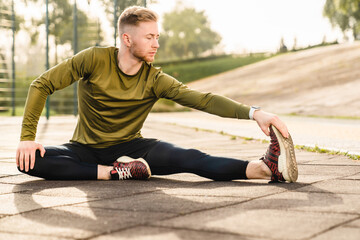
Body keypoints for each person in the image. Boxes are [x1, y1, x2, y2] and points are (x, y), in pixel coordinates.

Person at [16, 6, 298, 183]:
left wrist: (254, 112)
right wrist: (28, 138)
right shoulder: (93, 59)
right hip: (85, 150)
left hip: (134, 150)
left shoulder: (155, 78)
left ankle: (265, 169)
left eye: (157, 37)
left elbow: (202, 99)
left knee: (190, 158)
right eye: (149, 37)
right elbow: (41, 84)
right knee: (28, 161)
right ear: (127, 39)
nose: (156, 44)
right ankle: (113, 173)